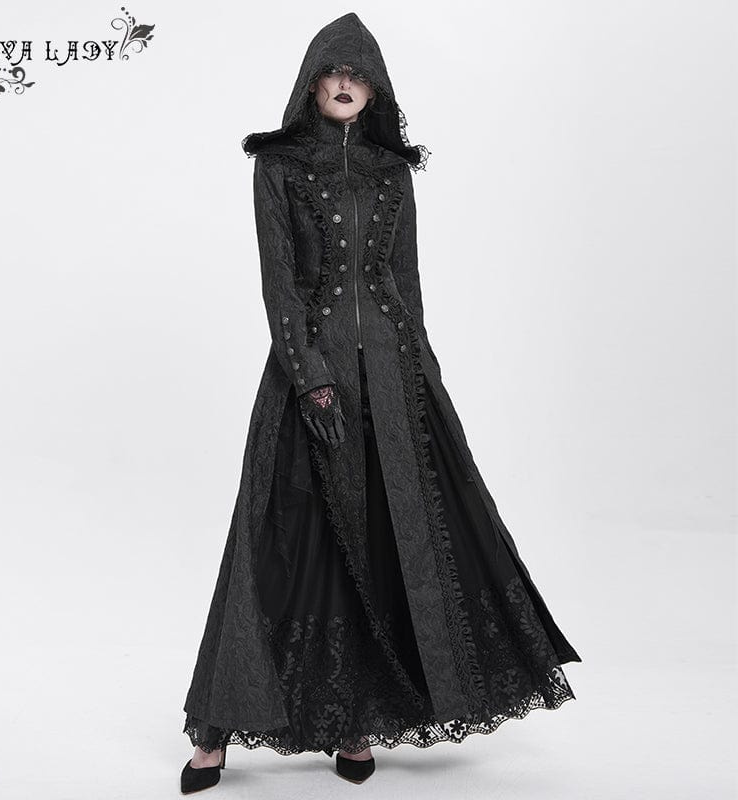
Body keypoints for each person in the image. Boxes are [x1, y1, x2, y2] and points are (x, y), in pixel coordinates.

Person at [181, 11, 582, 793]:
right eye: (333, 73)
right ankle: (214, 732)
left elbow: (407, 283)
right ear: (311, 84)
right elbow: (280, 287)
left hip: (396, 381)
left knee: (386, 542)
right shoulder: (278, 168)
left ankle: (356, 724)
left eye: (358, 75)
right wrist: (311, 379)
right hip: (308, 380)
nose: (344, 84)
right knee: (279, 542)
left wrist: (422, 375)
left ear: (376, 90)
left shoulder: (392, 172)